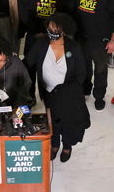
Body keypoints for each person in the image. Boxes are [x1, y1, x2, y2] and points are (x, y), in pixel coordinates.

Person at [25, 13, 91, 161]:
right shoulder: (41, 44)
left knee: (67, 120)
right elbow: (27, 63)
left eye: (56, 28)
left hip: (68, 93)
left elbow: (81, 73)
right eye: (50, 27)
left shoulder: (73, 47)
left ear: (64, 30)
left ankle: (67, 146)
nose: (52, 31)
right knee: (52, 120)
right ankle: (54, 145)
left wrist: (71, 90)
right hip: (49, 92)